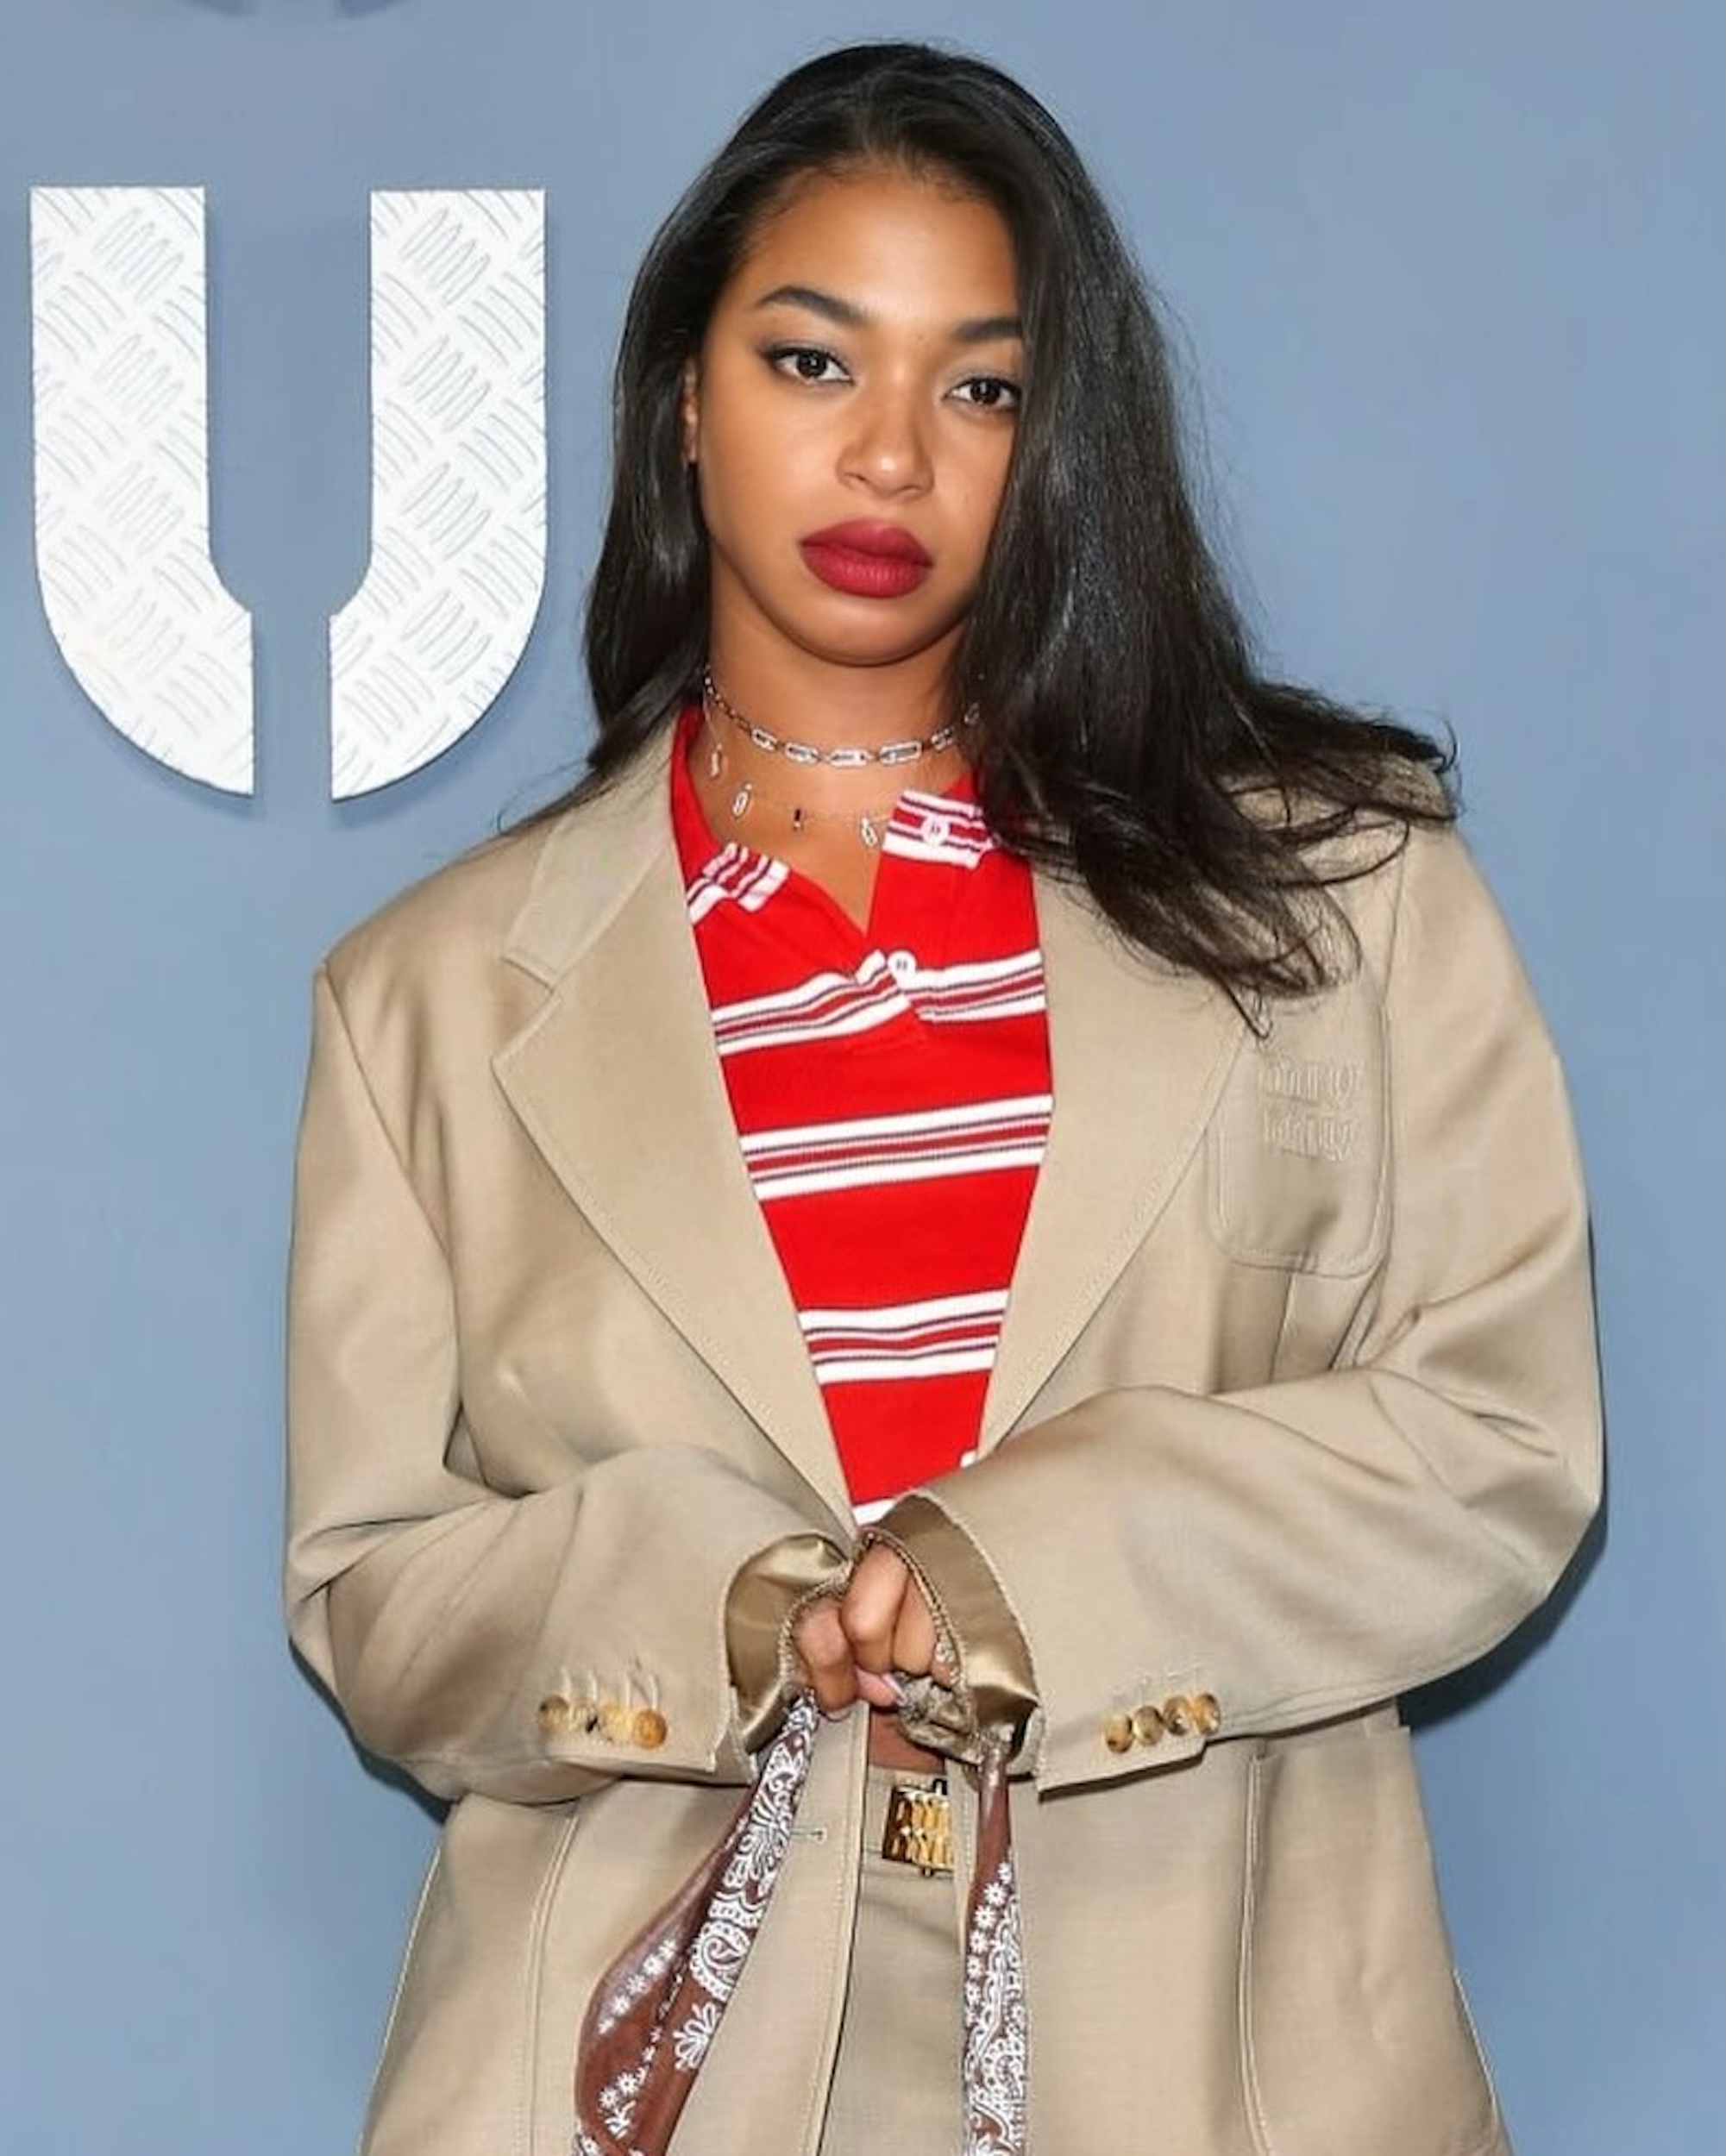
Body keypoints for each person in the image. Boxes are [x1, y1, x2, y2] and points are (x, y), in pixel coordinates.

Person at [285, 41, 1601, 2156]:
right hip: (638, 2066)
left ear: (1054, 437)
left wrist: (1037, 1555)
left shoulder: (1338, 889)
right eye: (810, 360)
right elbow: (374, 1587)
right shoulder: (422, 999)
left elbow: (1502, 1438)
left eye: (978, 387)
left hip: (1213, 2047)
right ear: (683, 399)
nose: (888, 453)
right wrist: (718, 1605)